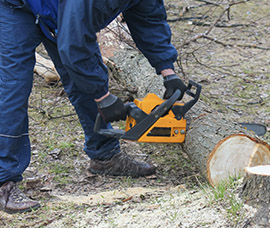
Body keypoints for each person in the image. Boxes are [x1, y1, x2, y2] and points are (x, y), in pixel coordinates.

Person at [0, 0, 187, 214]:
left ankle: (105, 156)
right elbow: (74, 44)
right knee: (12, 89)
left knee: (85, 78)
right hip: (18, 7)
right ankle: (3, 182)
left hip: (58, 12)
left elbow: (148, 19)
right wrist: (103, 97)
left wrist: (168, 71)